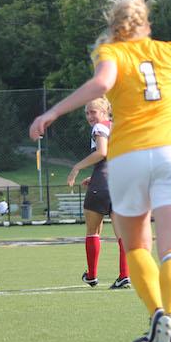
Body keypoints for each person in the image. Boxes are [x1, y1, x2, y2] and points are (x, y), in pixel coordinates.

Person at [28, 0, 171, 342]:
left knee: (137, 246)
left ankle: (157, 314)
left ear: (114, 26)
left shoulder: (111, 52)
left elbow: (102, 83)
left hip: (130, 156)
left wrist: (54, 111)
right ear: (147, 24)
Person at [67, 97, 131, 290]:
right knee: (123, 235)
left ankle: (92, 275)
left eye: (93, 112)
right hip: (120, 183)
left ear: (104, 112)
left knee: (93, 231)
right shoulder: (119, 127)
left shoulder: (99, 128)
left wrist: (76, 167)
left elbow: (102, 153)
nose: (89, 116)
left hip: (102, 184)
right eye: (87, 113)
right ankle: (124, 276)